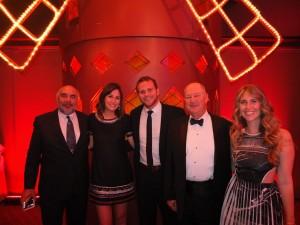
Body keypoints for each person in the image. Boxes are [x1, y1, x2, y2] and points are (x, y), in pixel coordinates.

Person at [220, 84, 295, 225]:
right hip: (235, 201)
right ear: (238, 108)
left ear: (262, 104)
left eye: (254, 101)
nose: (248, 106)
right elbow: (233, 170)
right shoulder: (236, 135)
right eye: (243, 102)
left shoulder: (281, 137)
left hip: (263, 204)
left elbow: (285, 181)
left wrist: (290, 218)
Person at [164, 82, 232, 225]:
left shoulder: (224, 126)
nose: (193, 100)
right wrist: (170, 194)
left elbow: (228, 162)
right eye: (188, 97)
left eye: (197, 95)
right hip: (184, 192)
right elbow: (169, 162)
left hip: (212, 193)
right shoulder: (175, 126)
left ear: (206, 97)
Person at [21, 85, 89, 225]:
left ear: (78, 100)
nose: (68, 100)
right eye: (64, 96)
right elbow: (33, 156)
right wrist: (29, 186)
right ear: (57, 98)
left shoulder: (87, 121)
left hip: (79, 188)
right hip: (51, 188)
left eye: (72, 96)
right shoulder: (42, 122)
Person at [130, 76, 185, 225]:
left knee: (171, 219)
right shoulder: (134, 115)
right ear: (138, 94)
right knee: (146, 218)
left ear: (157, 91)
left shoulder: (176, 114)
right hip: (143, 177)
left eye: (150, 90)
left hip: (166, 177)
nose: (146, 94)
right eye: (142, 91)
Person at [88, 82, 135, 225]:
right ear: (103, 98)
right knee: (105, 222)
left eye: (117, 98)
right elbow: (90, 145)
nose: (113, 101)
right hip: (100, 177)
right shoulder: (91, 119)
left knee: (121, 219)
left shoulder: (126, 120)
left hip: (122, 177)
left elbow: (133, 144)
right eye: (110, 96)